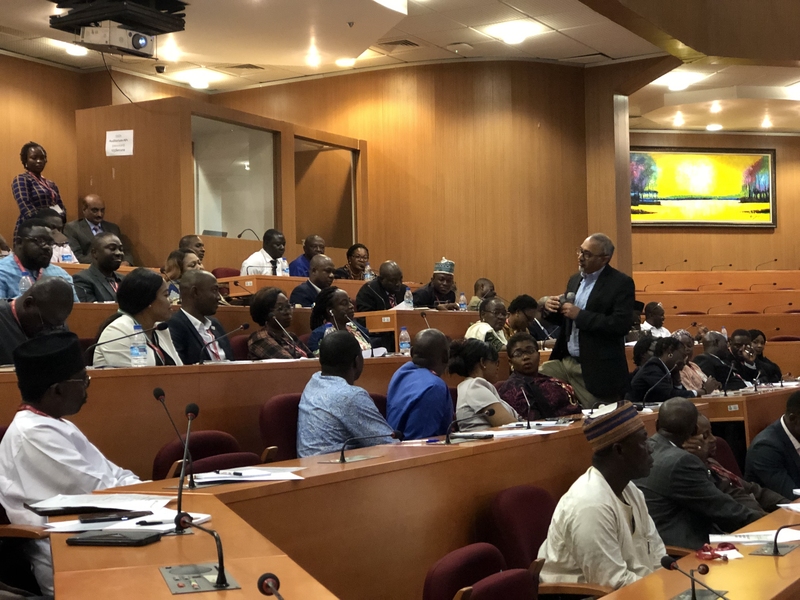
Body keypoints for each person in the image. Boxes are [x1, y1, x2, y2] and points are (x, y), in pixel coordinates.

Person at [0, 332, 140, 594]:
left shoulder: (54, 423)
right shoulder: (33, 434)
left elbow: (114, 475)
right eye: (83, 380)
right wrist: (150, 495)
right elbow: (99, 493)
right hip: (68, 550)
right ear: (58, 389)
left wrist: (148, 490)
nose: (87, 386)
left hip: (100, 531)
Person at [538, 402, 665, 591]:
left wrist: (673, 586)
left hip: (638, 590)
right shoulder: (590, 505)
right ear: (619, 450)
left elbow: (657, 555)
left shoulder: (631, 490)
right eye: (643, 441)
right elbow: (612, 583)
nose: (650, 448)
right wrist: (662, 591)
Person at [634, 398, 761, 549]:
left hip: (659, 545)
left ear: (656, 424)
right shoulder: (681, 460)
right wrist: (770, 521)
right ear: (694, 430)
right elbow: (723, 509)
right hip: (687, 549)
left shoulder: (649, 448)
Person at [539, 233, 635, 408]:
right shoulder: (575, 279)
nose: (580, 258)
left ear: (604, 258)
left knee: (601, 420)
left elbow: (620, 324)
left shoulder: (620, 283)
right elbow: (566, 320)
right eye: (580, 251)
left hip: (597, 368)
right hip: (567, 361)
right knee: (538, 381)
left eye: (587, 254)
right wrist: (550, 308)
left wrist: (580, 315)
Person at [297, 330, 396, 457]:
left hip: (312, 468)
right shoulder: (351, 396)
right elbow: (390, 446)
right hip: (337, 470)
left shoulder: (313, 382)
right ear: (357, 361)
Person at [685, 414, 789, 516]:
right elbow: (729, 509)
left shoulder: (712, 463)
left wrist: (791, 505)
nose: (714, 439)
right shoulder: (693, 474)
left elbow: (755, 491)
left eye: (711, 432)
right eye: (705, 436)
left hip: (759, 519)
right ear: (687, 442)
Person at [93, 268, 182, 367]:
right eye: (166, 295)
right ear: (148, 301)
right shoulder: (118, 331)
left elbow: (179, 369)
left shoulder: (160, 328)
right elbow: (137, 378)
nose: (170, 301)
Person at [386, 329, 453, 439]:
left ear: (411, 353)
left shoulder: (400, 373)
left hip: (394, 448)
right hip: (416, 452)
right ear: (445, 357)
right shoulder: (434, 387)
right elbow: (422, 443)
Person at [496, 332, 580, 419]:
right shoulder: (512, 389)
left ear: (539, 355)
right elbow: (534, 421)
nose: (525, 357)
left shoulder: (551, 380)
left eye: (530, 351)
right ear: (510, 362)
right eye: (518, 354)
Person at [448, 338, 519, 431]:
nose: (498, 367)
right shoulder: (474, 387)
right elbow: (509, 425)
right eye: (495, 362)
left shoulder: (474, 385)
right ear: (483, 362)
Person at [0, 278, 74, 365]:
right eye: (46, 324)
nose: (51, 331)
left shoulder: (56, 323)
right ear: (28, 304)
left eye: (58, 325)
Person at [0, 218, 78, 301]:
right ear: (19, 242)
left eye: (50, 243)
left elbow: (78, 310)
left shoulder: (60, 275)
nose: (47, 247)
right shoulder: (3, 271)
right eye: (40, 241)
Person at [167, 270, 232, 364]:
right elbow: (179, 368)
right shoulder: (174, 325)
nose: (218, 297)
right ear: (195, 292)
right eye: (214, 290)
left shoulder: (215, 324)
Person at [744, 391, 800, 499]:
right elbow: (791, 495)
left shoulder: (796, 433)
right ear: (793, 419)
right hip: (773, 513)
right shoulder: (765, 448)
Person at [628, 337, 716, 405]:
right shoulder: (653, 367)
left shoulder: (666, 369)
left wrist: (677, 381)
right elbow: (670, 395)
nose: (684, 360)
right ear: (670, 351)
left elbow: (676, 393)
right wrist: (702, 391)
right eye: (682, 355)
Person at [11, 142, 66, 238]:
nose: (39, 161)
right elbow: (26, 208)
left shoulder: (51, 184)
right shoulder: (21, 179)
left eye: (42, 158)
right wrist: (46, 225)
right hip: (31, 230)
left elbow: (61, 207)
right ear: (25, 160)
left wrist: (59, 221)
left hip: (55, 231)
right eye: (34, 158)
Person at [63, 194, 134, 265]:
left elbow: (126, 252)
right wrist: (105, 262)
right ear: (84, 210)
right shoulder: (72, 228)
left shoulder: (113, 228)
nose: (99, 214)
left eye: (102, 210)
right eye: (95, 210)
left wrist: (126, 263)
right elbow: (76, 256)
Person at [247, 286, 311, 359]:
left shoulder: (290, 337)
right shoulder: (259, 338)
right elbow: (289, 364)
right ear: (266, 313)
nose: (287, 312)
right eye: (280, 308)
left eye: (288, 306)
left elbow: (313, 359)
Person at [307, 286, 371, 354]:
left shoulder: (357, 329)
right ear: (330, 311)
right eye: (344, 303)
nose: (351, 306)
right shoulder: (319, 335)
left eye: (350, 302)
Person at [72, 232, 125, 303]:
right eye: (112, 248)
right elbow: (92, 311)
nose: (118, 253)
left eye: (121, 249)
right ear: (94, 253)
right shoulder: (82, 279)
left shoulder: (125, 280)